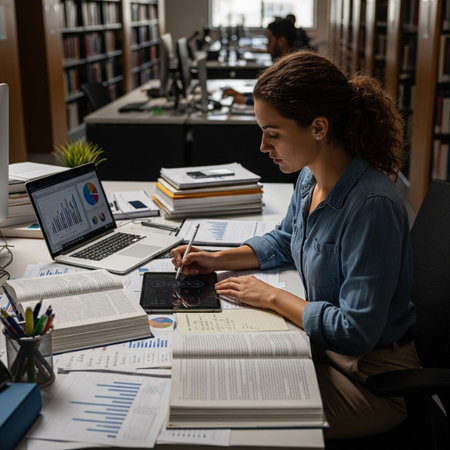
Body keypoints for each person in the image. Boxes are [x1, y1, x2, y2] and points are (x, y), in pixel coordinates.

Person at [172, 51, 420, 439]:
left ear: (318, 127)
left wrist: (271, 297)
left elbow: (355, 330)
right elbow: (286, 240)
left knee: (239, 418)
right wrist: (218, 259)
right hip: (322, 350)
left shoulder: (372, 206)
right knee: (219, 369)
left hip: (371, 378)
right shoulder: (309, 178)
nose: (262, 147)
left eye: (273, 133)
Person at [222, 19, 296, 105]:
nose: (267, 45)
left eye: (269, 40)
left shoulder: (291, 71)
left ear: (282, 42)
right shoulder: (285, 65)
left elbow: (278, 103)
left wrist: (246, 101)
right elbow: (269, 96)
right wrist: (242, 95)